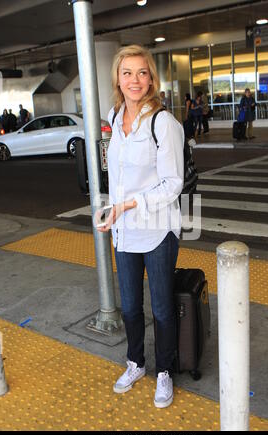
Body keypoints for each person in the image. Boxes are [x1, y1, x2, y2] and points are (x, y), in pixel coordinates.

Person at [96, 44, 184, 409]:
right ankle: (136, 362)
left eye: (142, 72)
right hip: (124, 231)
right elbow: (116, 176)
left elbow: (173, 183)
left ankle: (164, 370)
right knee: (130, 307)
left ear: (151, 79)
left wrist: (131, 204)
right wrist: (111, 210)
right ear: (118, 78)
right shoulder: (116, 118)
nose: (135, 79)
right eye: (127, 72)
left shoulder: (163, 122)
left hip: (158, 229)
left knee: (162, 309)